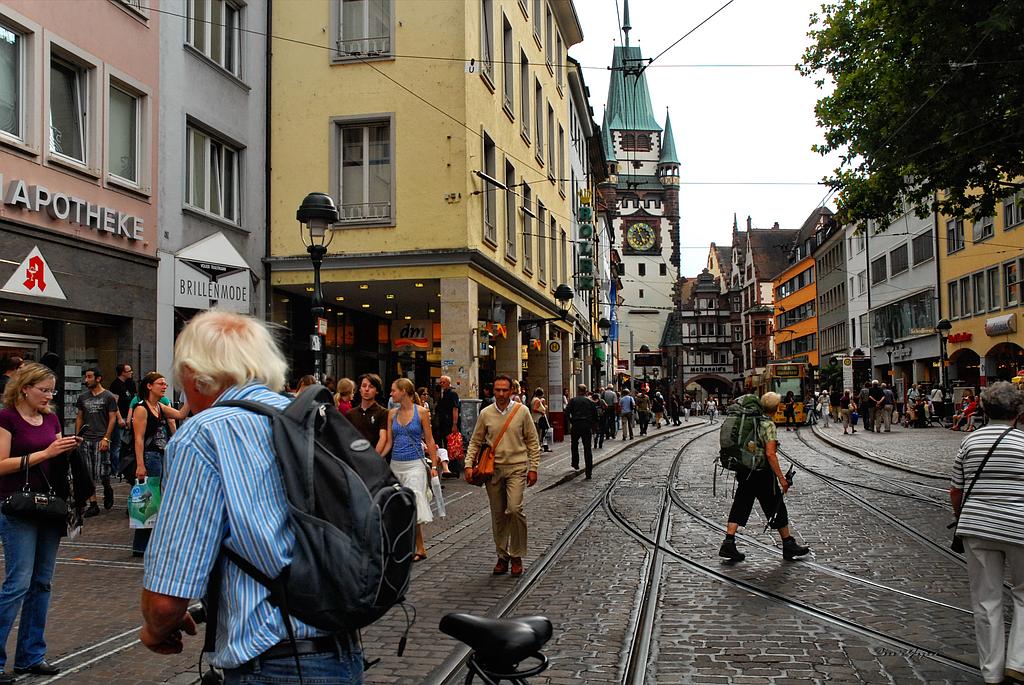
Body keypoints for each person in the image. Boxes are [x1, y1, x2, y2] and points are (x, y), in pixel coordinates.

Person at [140, 310, 364, 683]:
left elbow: (166, 598)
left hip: (272, 664)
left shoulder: (204, 433)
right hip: (341, 653)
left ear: (195, 375)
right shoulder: (313, 419)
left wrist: (153, 630)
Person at [0, 363, 82, 681]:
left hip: (50, 509)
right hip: (18, 508)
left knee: (42, 584)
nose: (49, 396)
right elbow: (1, 464)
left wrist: (68, 449)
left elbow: (57, 457)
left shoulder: (50, 418)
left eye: (52, 390)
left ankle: (31, 656)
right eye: (44, 390)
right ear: (24, 388)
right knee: (17, 584)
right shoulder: (7, 418)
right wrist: (46, 453)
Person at [950, 382, 1024, 685]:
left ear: (982, 409)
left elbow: (956, 490)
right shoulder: (1023, 442)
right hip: (1020, 527)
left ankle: (991, 671)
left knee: (985, 600)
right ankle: (1018, 663)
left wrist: (961, 518)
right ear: (1018, 412)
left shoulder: (970, 442)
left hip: (977, 527)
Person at [719, 392, 811, 563]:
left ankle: (728, 542)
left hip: (745, 470)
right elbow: (770, 454)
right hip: (762, 472)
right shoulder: (767, 424)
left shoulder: (753, 420)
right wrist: (782, 478)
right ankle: (788, 544)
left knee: (741, 503)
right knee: (776, 505)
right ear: (776, 408)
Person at [464, 374, 541, 578]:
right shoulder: (486, 413)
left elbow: (533, 442)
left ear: (511, 391)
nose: (500, 394)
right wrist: (468, 464)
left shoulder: (522, 411)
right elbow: (475, 441)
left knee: (514, 509)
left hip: (516, 467)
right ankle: (502, 555)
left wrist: (533, 467)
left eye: (504, 390)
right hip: (493, 470)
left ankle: (516, 554)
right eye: (497, 390)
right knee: (498, 514)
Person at [381, 379, 441, 562]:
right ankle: (413, 547)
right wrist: (378, 458)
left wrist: (434, 467)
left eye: (393, 391)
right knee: (399, 506)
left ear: (404, 392)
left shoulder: (421, 412)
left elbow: (429, 440)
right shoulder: (391, 414)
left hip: (415, 464)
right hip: (396, 464)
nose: (391, 394)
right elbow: (389, 442)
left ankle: (418, 547)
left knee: (413, 502)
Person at [130, 372, 189, 557]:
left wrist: (191, 393)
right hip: (149, 457)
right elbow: (138, 439)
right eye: (160, 383)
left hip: (159, 456)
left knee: (153, 501)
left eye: (165, 383)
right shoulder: (142, 408)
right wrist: (140, 465)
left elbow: (180, 414)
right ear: (149, 386)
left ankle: (144, 545)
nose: (164, 386)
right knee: (149, 502)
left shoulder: (160, 406)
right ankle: (141, 545)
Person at [76, 368, 118, 516]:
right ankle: (93, 504)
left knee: (102, 471)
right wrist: (78, 435)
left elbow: (112, 418)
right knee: (87, 472)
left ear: (98, 378)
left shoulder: (108, 397)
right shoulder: (82, 397)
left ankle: (107, 488)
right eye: (85, 377)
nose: (86, 380)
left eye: (89, 377)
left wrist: (106, 437)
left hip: (101, 438)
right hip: (86, 438)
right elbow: (80, 417)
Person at [345, 374, 388, 456]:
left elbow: (383, 438)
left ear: (377, 391)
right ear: (360, 389)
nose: (366, 389)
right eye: (364, 386)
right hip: (354, 457)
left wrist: (373, 458)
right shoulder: (350, 413)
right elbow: (346, 437)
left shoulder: (383, 412)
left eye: (371, 387)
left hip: (374, 458)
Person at [108, 363, 136, 478]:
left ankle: (125, 467)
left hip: (129, 416)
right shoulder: (116, 385)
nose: (131, 372)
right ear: (123, 372)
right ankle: (116, 469)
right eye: (129, 371)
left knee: (127, 443)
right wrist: (119, 418)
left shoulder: (130, 383)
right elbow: (114, 403)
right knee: (117, 444)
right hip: (121, 417)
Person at [566, 384, 599, 478]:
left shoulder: (573, 401)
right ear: (585, 391)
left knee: (574, 444)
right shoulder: (590, 402)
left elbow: (567, 413)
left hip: (576, 425)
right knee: (587, 448)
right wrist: (593, 425)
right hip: (586, 426)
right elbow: (595, 415)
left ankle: (575, 463)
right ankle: (589, 471)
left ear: (578, 390)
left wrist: (572, 421)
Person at [435, 375, 462, 454]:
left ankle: (453, 458)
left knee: (451, 441)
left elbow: (455, 409)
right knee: (445, 441)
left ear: (448, 383)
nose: (442, 384)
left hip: (449, 422)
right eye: (440, 382)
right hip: (443, 422)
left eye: (443, 382)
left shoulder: (453, 394)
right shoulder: (443, 394)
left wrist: (454, 424)